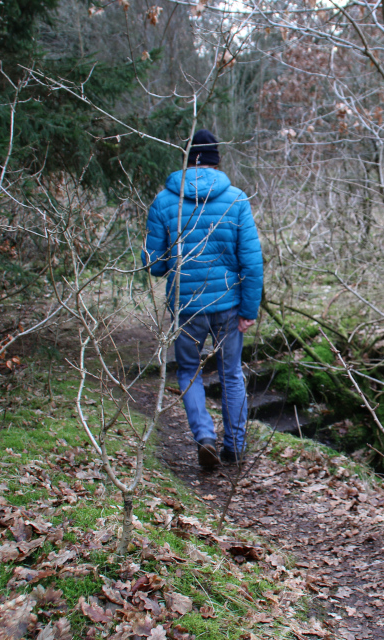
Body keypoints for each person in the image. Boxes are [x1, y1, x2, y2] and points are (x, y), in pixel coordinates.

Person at [143, 129, 263, 470]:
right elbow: (251, 262)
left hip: (187, 306)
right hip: (228, 306)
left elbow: (154, 264)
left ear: (186, 159)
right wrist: (249, 309)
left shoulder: (164, 202)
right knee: (231, 375)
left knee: (189, 372)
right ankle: (234, 448)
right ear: (217, 160)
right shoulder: (237, 199)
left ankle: (204, 437)